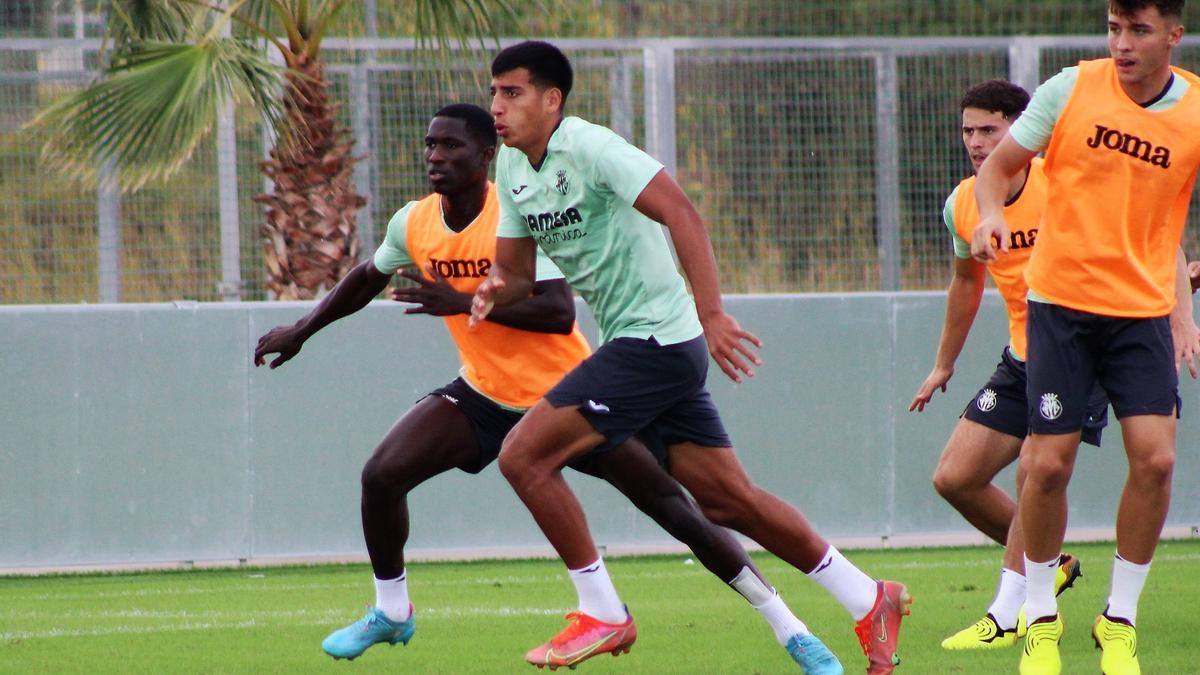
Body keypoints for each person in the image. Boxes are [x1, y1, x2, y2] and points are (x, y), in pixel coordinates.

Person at [254, 104, 842, 673]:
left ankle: (793, 631)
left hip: (570, 398)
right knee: (382, 476)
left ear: (486, 155)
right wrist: (302, 330)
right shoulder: (414, 223)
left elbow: (557, 312)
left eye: (451, 145)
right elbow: (365, 276)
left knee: (678, 511)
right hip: (483, 396)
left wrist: (461, 303)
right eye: (431, 144)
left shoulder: (519, 215)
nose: (436, 155)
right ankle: (390, 611)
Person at [472, 41, 909, 674]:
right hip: (646, 346)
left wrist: (712, 314)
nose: (497, 107)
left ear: (551, 99)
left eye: (511, 93)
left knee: (522, 455)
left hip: (658, 340)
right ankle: (869, 597)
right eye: (493, 93)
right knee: (729, 501)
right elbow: (514, 273)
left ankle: (603, 612)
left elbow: (681, 212)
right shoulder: (511, 171)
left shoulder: (592, 148)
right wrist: (489, 287)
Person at [970, 2, 1200, 673]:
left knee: (1156, 460)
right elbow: (996, 171)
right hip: (1062, 307)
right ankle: (1040, 617)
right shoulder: (1069, 89)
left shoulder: (1193, 112)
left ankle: (1118, 619)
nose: (1122, 44)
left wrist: (1185, 305)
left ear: (1173, 36)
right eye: (1113, 28)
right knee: (1046, 465)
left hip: (1142, 312)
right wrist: (988, 218)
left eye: (1138, 30)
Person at [909, 80, 1104, 650]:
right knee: (956, 477)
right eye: (968, 130)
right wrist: (943, 365)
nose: (975, 141)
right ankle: (1051, 564)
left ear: (1022, 130)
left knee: (1034, 471)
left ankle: (1007, 611)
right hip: (1022, 357)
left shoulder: (1063, 184)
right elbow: (965, 283)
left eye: (988, 129)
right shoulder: (962, 203)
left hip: (1079, 354)